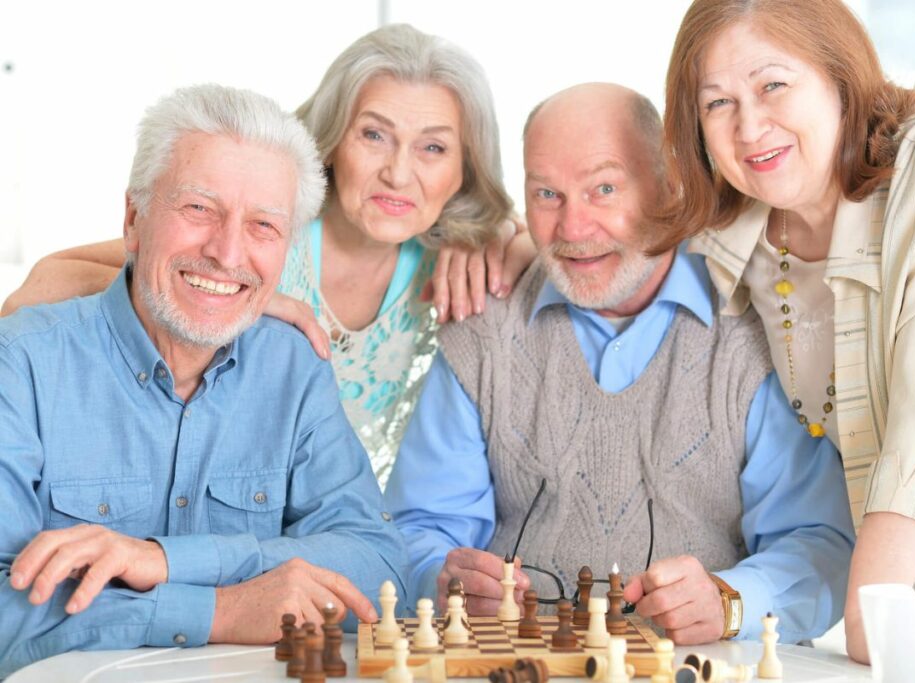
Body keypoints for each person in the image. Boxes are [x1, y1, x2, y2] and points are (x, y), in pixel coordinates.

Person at [384, 83, 855, 645]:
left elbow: (819, 542)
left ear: (668, 185)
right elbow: (418, 527)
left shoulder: (753, 330)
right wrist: (436, 578)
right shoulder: (483, 329)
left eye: (603, 188)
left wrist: (733, 601)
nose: (573, 230)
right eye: (547, 194)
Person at [660, 1, 915, 680]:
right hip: (900, 642)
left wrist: (869, 614)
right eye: (717, 103)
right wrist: (510, 242)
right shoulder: (730, 239)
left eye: (773, 85)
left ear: (839, 75)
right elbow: (613, 240)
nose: (749, 126)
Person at [0, 24, 535, 484]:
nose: (399, 172)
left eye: (433, 147)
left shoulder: (463, 262)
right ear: (330, 137)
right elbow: (38, 289)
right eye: (374, 134)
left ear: (466, 166)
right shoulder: (258, 230)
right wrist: (249, 295)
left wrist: (521, 239)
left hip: (379, 546)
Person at [0, 84, 407, 678]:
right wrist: (221, 609)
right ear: (134, 219)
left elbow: (377, 564)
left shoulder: (293, 367)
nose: (227, 252)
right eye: (199, 209)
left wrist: (164, 562)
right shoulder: (22, 361)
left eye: (263, 225)